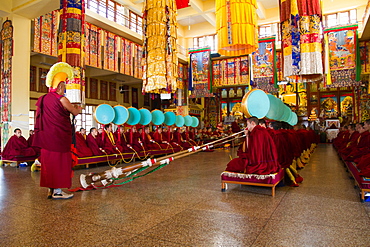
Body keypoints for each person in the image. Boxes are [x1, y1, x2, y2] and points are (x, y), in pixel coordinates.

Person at [33, 62, 81, 200]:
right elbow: (75, 112)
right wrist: (79, 108)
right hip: (59, 139)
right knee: (59, 163)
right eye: (64, 86)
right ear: (60, 86)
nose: (65, 89)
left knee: (49, 164)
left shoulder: (43, 98)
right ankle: (58, 191)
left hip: (47, 139)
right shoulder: (62, 99)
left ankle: (51, 189)